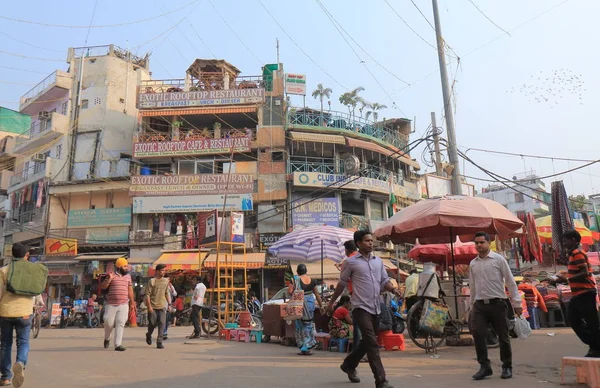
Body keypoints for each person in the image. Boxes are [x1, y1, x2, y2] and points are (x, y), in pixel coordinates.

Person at [327, 230, 402, 388]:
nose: (371, 243)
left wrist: (393, 290)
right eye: (367, 240)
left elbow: (384, 281)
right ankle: (381, 381)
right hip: (360, 308)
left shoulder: (378, 261)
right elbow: (341, 284)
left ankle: (348, 365)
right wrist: (331, 302)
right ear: (359, 243)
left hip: (376, 307)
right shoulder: (351, 262)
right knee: (372, 344)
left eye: (371, 240)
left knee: (367, 343)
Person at [469, 231, 522, 381]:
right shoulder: (473, 263)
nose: (479, 245)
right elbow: (472, 285)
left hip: (498, 304)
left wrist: (517, 303)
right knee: (478, 333)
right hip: (479, 305)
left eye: (481, 242)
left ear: (488, 243)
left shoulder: (499, 260)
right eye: (476, 243)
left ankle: (507, 366)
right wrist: (471, 305)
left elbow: (510, 282)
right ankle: (484, 367)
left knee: (503, 336)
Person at [0, 243, 37, 387]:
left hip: (6, 311)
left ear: (12, 254)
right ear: (26, 255)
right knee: (23, 341)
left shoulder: (4, 270)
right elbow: (37, 291)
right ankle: (20, 362)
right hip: (25, 312)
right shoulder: (32, 271)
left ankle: (6, 377)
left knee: (5, 344)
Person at [561, 229, 600, 357]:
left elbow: (585, 273)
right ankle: (594, 344)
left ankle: (595, 348)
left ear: (573, 240)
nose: (564, 243)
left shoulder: (577, 253)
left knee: (591, 321)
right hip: (578, 294)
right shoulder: (573, 254)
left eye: (565, 240)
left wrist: (568, 279)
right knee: (573, 319)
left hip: (585, 292)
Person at [288, 263, 324, 356]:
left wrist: (296, 293)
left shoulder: (294, 280)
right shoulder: (313, 280)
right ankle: (309, 346)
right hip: (310, 304)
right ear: (306, 271)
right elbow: (317, 294)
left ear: (297, 272)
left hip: (299, 305)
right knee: (309, 324)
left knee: (300, 325)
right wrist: (321, 306)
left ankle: (304, 348)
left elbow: (290, 292)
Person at [100, 257, 134, 351]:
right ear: (119, 267)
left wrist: (132, 303)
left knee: (120, 322)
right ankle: (107, 338)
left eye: (127, 266)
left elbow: (130, 291)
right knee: (108, 323)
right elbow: (103, 287)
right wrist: (109, 280)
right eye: (124, 266)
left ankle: (118, 344)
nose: (126, 268)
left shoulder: (128, 277)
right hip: (111, 304)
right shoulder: (111, 275)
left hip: (124, 304)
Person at [145, 264, 170, 349]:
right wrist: (149, 306)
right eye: (162, 270)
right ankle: (148, 334)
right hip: (153, 306)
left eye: (164, 270)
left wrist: (169, 304)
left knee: (162, 323)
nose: (164, 272)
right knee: (152, 323)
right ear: (158, 271)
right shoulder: (152, 281)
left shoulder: (166, 281)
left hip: (162, 306)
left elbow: (167, 293)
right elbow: (147, 294)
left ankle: (159, 342)